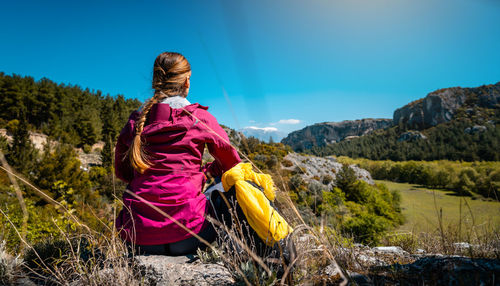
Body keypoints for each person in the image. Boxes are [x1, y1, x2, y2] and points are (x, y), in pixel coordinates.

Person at [114, 52, 241, 256]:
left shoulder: (135, 122)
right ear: (187, 81)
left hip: (137, 237)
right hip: (191, 236)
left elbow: (123, 173)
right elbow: (232, 162)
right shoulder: (200, 118)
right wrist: (206, 173)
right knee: (238, 189)